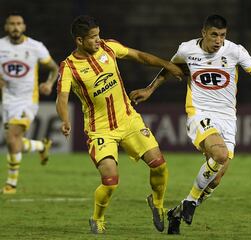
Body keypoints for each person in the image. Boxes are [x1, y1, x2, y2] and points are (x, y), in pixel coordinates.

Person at [129, 14, 251, 234]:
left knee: (215, 179)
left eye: (223, 35)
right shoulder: (187, 50)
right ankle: (190, 202)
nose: (219, 40)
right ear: (204, 33)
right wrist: (149, 90)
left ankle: (178, 212)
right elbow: (168, 69)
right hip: (199, 112)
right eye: (214, 35)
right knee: (219, 155)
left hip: (227, 117)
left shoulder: (235, 51)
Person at [56, 15, 183, 234]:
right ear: (79, 40)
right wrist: (65, 119)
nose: (98, 40)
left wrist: (167, 64)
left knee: (159, 165)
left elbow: (139, 56)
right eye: (93, 37)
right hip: (100, 129)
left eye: (98, 34)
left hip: (128, 119)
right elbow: (62, 97)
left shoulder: (109, 47)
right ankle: (97, 218)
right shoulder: (69, 67)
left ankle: (157, 203)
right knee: (111, 179)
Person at [0, 12, 57, 194]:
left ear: (23, 27)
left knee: (11, 137)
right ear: (6, 27)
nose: (15, 27)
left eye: (19, 23)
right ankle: (41, 145)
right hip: (8, 100)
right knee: (14, 142)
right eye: (12, 24)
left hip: (27, 100)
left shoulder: (35, 47)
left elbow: (54, 68)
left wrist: (48, 83)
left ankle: (11, 184)